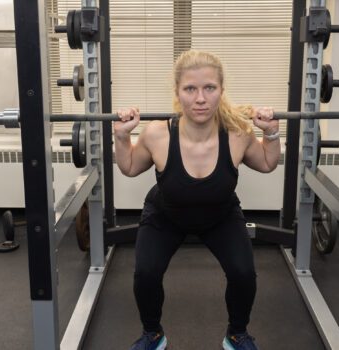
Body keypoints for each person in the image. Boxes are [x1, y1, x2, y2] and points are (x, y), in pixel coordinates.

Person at [113, 50, 281, 350]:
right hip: (166, 215)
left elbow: (268, 163)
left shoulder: (238, 134)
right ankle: (152, 334)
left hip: (220, 215)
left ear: (221, 91)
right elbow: (128, 168)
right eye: (190, 89)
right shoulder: (157, 134)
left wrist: (270, 134)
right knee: (145, 273)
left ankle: (237, 334)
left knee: (243, 272)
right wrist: (122, 137)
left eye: (209, 88)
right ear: (178, 93)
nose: (200, 98)